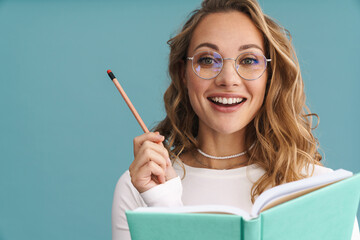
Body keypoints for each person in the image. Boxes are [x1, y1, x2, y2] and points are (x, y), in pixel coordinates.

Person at [111, 0, 360, 239]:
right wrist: (162, 203)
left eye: (248, 60)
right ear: (183, 74)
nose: (228, 79)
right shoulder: (141, 186)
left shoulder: (319, 190)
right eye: (207, 60)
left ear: (269, 76)